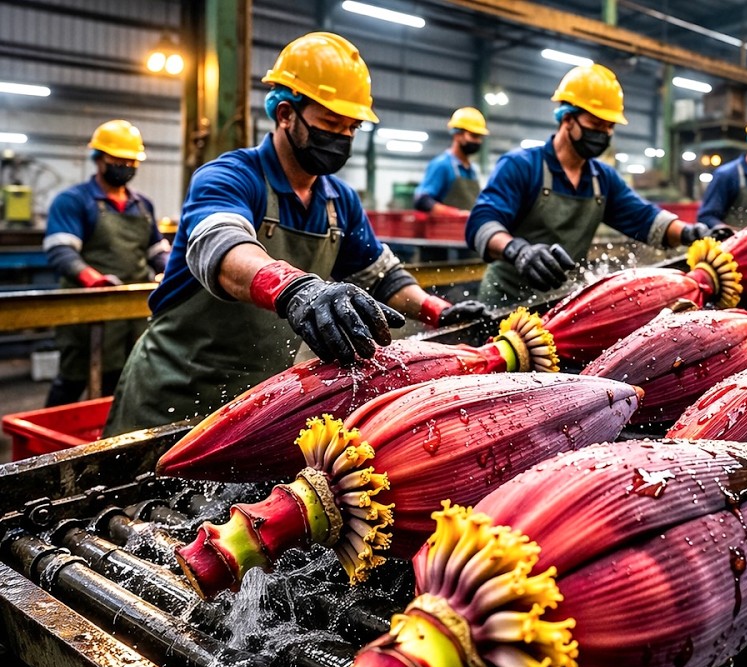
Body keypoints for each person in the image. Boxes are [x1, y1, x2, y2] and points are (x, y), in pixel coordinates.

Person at [105, 32, 485, 435]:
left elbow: (381, 276)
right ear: (285, 113)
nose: (343, 138)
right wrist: (296, 289)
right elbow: (222, 248)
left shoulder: (339, 201)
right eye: (330, 123)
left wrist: (436, 310)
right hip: (170, 403)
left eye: (352, 127)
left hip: (259, 409)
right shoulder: (230, 176)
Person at [465, 63, 714, 307]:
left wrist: (691, 233)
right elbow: (481, 224)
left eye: (609, 127)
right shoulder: (522, 166)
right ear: (567, 118)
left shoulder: (602, 179)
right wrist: (518, 252)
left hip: (560, 304)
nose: (604, 134)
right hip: (505, 303)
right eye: (596, 125)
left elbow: (646, 219)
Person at [42, 120, 169, 407]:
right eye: (117, 160)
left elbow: (156, 249)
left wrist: (168, 271)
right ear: (98, 160)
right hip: (87, 309)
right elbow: (61, 250)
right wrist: (93, 279)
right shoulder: (73, 201)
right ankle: (49, 446)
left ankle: (107, 441)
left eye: (130, 161)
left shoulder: (142, 205)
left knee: (124, 379)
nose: (124, 166)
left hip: (132, 311)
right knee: (73, 378)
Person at [412, 107, 487, 213]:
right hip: (446, 228)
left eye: (480, 137)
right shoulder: (442, 165)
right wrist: (456, 214)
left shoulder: (474, 170)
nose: (477, 141)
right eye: (473, 136)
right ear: (457, 135)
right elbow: (422, 200)